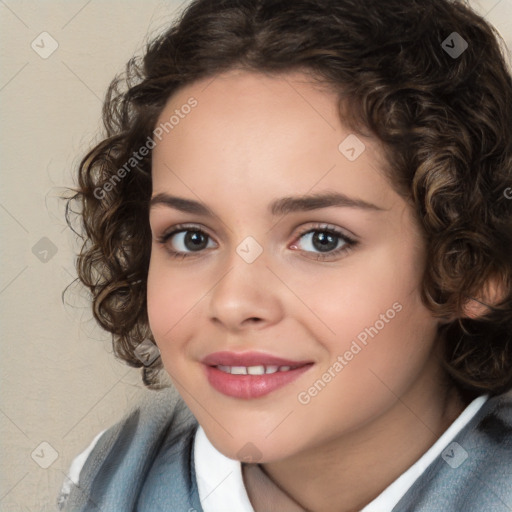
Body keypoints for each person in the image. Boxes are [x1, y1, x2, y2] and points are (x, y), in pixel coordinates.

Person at [58, 0, 512, 510]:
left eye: (322, 239)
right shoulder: (113, 480)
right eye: (191, 237)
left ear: (473, 267)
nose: (232, 303)